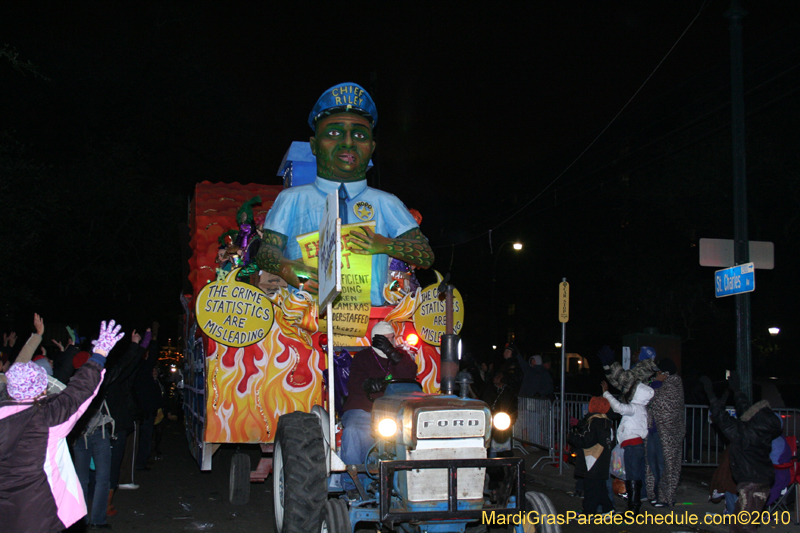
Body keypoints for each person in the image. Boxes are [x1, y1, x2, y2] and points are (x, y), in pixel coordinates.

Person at [256, 82, 434, 305]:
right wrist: (286, 267)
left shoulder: (386, 203)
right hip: (304, 323)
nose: (348, 143)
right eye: (334, 133)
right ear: (314, 145)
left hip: (371, 326)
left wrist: (384, 244)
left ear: (372, 146)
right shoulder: (292, 199)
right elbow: (266, 252)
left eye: (359, 135)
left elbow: (425, 254)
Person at [0, 317, 124, 532]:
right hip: (42, 512)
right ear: (41, 390)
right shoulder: (45, 419)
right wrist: (100, 354)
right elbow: (79, 392)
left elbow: (16, 374)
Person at [339, 322, 417, 496]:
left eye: (391, 339)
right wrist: (368, 384)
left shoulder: (401, 356)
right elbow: (355, 383)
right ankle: (352, 483)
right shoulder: (362, 357)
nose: (390, 342)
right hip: (366, 408)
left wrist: (392, 353)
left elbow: (410, 373)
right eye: (386, 340)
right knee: (352, 431)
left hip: (396, 410)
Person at [701, 374, 782, 533]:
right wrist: (737, 391)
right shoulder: (762, 430)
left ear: (755, 420)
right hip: (757, 482)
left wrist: (710, 394)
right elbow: (746, 409)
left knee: (744, 527)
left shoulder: (744, 434)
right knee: (739, 524)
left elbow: (722, 419)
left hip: (752, 487)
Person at [603, 380, 654, 516]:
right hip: (636, 445)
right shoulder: (642, 409)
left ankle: (633, 508)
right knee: (634, 476)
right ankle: (634, 505)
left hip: (632, 446)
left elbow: (618, 407)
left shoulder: (634, 408)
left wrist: (606, 393)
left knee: (632, 476)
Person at [645, 357, 685, 508]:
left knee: (665, 465)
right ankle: (655, 494)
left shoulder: (674, 384)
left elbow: (659, 401)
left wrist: (656, 384)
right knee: (652, 465)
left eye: (659, 372)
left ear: (666, 373)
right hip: (653, 431)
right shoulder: (658, 384)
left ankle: (666, 497)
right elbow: (646, 398)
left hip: (668, 434)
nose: (657, 374)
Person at [568, 396, 615, 515]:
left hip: (592, 461)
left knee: (591, 489)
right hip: (602, 460)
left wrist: (572, 437)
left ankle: (588, 513)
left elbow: (587, 440)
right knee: (600, 488)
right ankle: (608, 509)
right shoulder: (607, 422)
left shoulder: (594, 422)